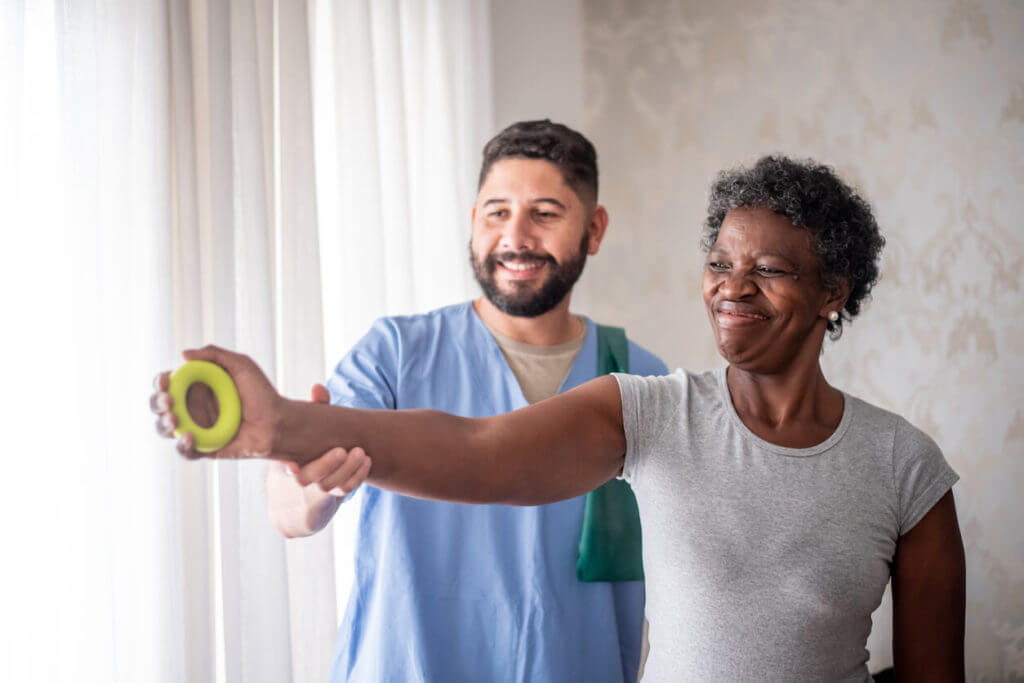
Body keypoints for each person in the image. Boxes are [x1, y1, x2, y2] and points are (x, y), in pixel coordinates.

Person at [153, 156, 966, 681]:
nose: (731, 286)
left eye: (770, 269)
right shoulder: (648, 409)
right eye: (719, 263)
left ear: (835, 292)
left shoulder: (905, 467)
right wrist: (279, 425)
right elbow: (474, 448)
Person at [155, 120, 668, 682]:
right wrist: (309, 487)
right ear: (474, 222)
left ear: (593, 230)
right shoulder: (395, 353)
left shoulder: (640, 379)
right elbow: (289, 502)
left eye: (545, 214)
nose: (515, 236)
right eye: (497, 212)